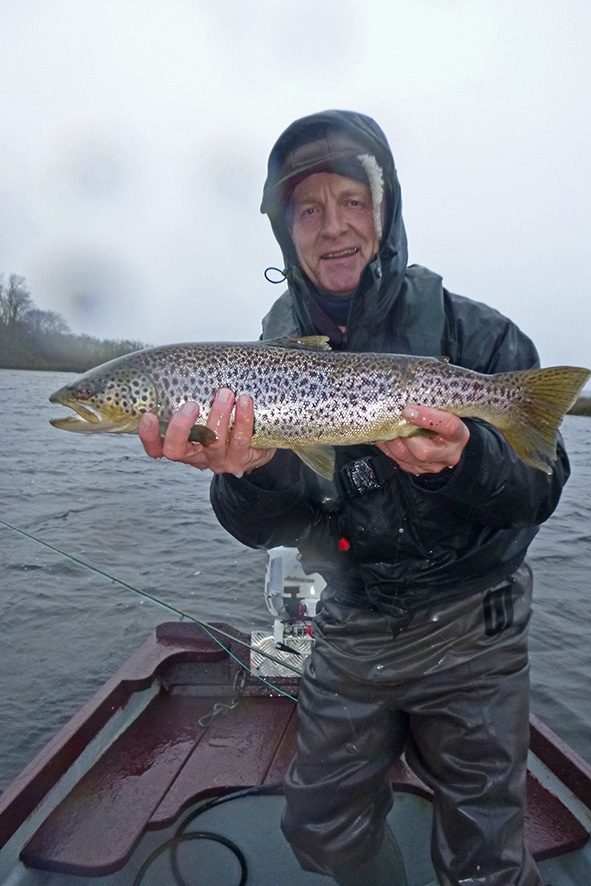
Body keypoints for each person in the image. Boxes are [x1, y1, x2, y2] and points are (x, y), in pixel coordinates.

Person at [139, 110, 569, 886]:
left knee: (488, 861)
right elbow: (270, 526)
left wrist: (466, 460)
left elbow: (541, 491)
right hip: (352, 622)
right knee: (321, 833)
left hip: (478, 624)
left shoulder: (481, 336)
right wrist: (254, 468)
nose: (333, 227)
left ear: (387, 210)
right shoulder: (257, 369)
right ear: (284, 231)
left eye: (354, 202)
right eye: (308, 209)